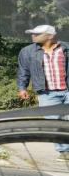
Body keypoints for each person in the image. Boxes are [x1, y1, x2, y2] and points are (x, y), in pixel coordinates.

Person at [17, 24, 69, 158]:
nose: (33, 36)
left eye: (37, 34)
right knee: (54, 124)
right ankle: (64, 152)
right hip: (46, 93)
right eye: (33, 33)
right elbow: (23, 71)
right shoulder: (27, 51)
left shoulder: (66, 48)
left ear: (50, 36)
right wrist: (22, 87)